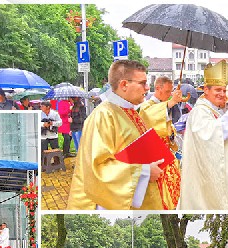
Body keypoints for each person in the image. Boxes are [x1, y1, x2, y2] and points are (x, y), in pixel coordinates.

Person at [67, 60, 165, 210]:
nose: (147, 88)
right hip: (104, 204)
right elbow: (98, 168)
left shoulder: (129, 111)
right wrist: (144, 172)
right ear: (124, 84)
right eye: (143, 83)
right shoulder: (103, 115)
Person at [179, 60, 228, 209]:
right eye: (218, 90)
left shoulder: (214, 110)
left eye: (224, 90)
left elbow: (219, 138)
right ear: (206, 89)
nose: (222, 94)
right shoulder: (200, 111)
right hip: (205, 182)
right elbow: (209, 138)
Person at [137, 76, 183, 209]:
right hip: (153, 156)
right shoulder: (147, 106)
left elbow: (166, 127)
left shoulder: (161, 106)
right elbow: (150, 118)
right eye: (168, 92)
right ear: (158, 88)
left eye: (171, 92)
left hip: (166, 154)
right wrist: (171, 102)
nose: (170, 95)